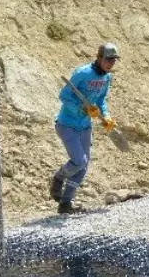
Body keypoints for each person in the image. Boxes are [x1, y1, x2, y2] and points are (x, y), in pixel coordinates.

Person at [49, 43, 119, 214]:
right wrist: (81, 109)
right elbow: (64, 95)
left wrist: (106, 117)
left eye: (114, 60)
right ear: (99, 57)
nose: (111, 63)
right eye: (108, 59)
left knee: (84, 166)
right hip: (66, 124)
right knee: (79, 161)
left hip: (85, 127)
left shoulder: (106, 78)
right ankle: (59, 178)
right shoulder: (82, 73)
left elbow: (101, 100)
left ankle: (65, 203)